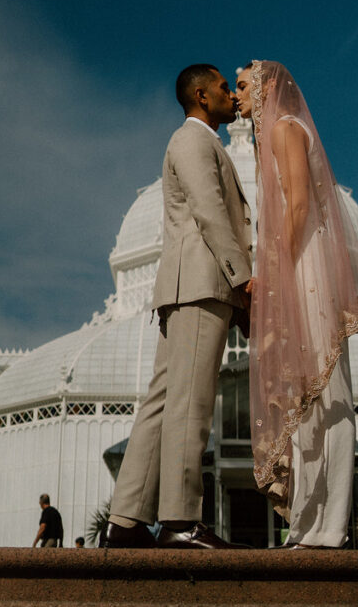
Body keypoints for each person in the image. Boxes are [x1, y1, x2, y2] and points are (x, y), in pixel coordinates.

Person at [100, 64, 253, 549]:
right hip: (200, 286)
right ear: (203, 97)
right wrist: (243, 279)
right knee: (190, 404)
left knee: (164, 400)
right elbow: (209, 211)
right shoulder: (193, 140)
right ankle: (180, 521)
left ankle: (124, 522)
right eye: (225, 89)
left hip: (187, 287)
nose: (232, 96)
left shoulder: (204, 143)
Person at [235, 61, 358, 548]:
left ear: (267, 87)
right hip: (297, 264)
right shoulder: (276, 134)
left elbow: (298, 206)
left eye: (241, 86)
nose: (235, 96)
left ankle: (326, 525)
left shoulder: (283, 128)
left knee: (324, 390)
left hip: (303, 269)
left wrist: (272, 269)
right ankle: (310, 523)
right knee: (305, 394)